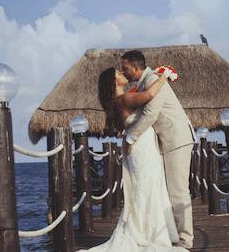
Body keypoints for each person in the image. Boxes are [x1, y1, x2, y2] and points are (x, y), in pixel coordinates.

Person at [77, 66, 187, 251]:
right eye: (118, 74)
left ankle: (148, 230)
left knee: (144, 187)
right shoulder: (126, 98)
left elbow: (141, 95)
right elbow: (150, 95)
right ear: (114, 82)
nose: (122, 74)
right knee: (148, 187)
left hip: (139, 146)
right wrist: (164, 76)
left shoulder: (119, 100)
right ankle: (150, 233)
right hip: (142, 145)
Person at [121, 50, 196, 249]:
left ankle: (186, 240)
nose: (124, 72)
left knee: (178, 190)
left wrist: (130, 138)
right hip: (168, 140)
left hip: (176, 138)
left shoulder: (153, 79)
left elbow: (151, 113)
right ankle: (173, 233)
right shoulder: (144, 83)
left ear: (136, 67)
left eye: (125, 68)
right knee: (171, 189)